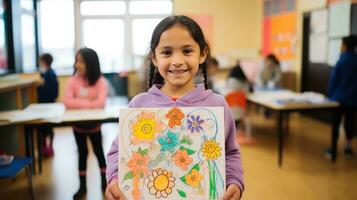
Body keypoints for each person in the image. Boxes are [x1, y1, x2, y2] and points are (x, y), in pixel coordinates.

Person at [105, 15, 244, 200]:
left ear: (202, 54)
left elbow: (230, 153)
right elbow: (118, 152)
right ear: (154, 57)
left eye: (187, 51)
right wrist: (114, 178)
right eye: (167, 52)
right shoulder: (139, 105)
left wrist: (235, 182)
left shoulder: (217, 105)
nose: (177, 61)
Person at [63, 48, 108, 199]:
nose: (77, 64)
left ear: (91, 63)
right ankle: (82, 186)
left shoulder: (100, 81)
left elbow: (101, 103)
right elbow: (67, 102)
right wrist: (90, 102)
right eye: (76, 61)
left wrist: (79, 102)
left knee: (99, 153)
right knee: (82, 155)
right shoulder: (72, 81)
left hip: (95, 125)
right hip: (78, 126)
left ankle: (104, 183)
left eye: (81, 61)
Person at [326, 35, 357, 158]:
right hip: (353, 99)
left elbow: (334, 80)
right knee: (350, 123)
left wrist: (329, 95)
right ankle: (348, 148)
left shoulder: (342, 60)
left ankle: (333, 149)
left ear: (344, 46)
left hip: (339, 99)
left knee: (336, 123)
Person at [37, 53, 58, 157]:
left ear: (44, 62)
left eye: (40, 61)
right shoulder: (50, 73)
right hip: (50, 104)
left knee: (45, 128)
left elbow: (49, 91)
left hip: (46, 105)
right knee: (49, 128)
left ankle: (47, 148)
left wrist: (39, 87)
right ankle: (48, 147)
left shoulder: (49, 75)